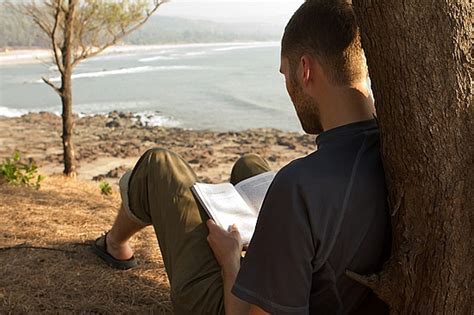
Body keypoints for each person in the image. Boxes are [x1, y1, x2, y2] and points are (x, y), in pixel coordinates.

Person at [92, 1, 391, 314]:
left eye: (285, 74)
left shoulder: (298, 186)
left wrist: (230, 261)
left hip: (236, 306)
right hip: (328, 287)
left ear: (305, 70)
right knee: (249, 165)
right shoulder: (391, 151)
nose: (288, 87)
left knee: (161, 165)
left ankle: (115, 245)